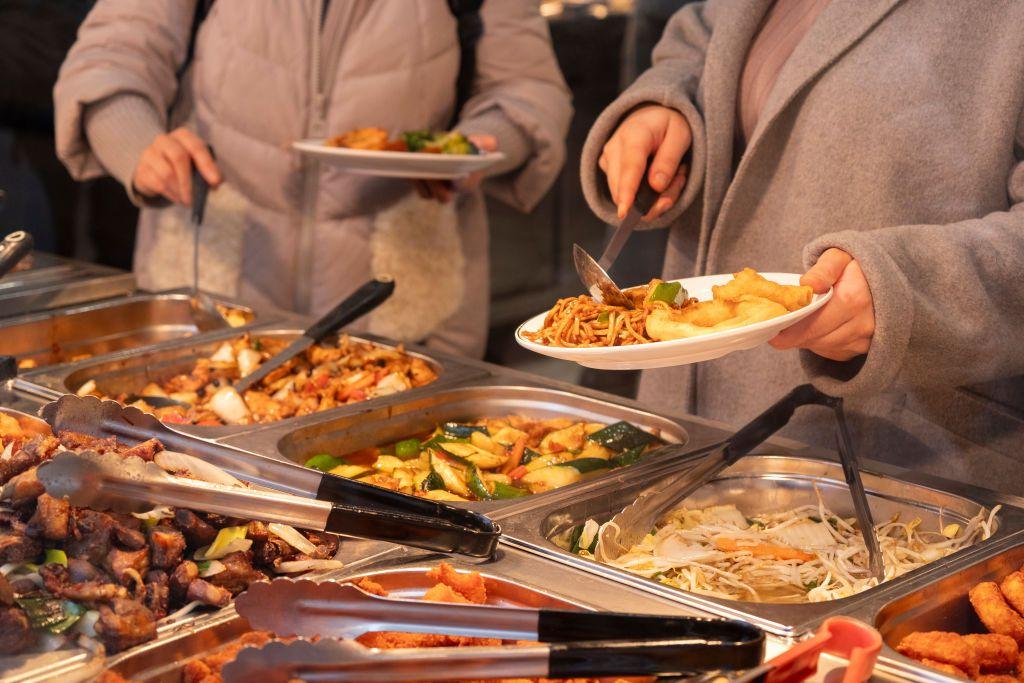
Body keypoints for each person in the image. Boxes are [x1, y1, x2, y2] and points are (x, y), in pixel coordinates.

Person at [581, 0, 1024, 492]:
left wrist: (910, 286)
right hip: (691, 431)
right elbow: (702, 32)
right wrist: (665, 101)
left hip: (905, 466)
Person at [54, 0, 572, 358]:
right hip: (211, 286)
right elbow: (111, 57)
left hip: (406, 304)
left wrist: (474, 146)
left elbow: (528, 92)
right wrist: (138, 145)